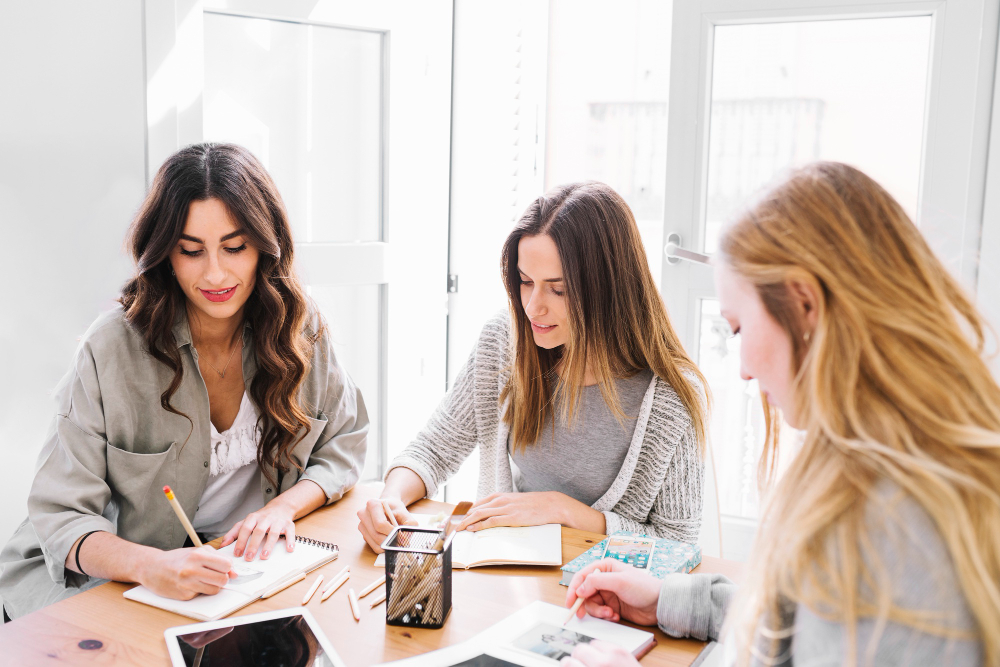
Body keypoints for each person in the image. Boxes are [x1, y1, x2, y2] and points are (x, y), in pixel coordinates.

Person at [562, 162, 999, 666]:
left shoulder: (888, 525)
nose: (744, 369)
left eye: (739, 328)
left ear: (805, 305)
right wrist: (667, 598)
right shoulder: (894, 454)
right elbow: (798, 620)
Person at [0, 143, 369, 619]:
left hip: (238, 581)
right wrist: (151, 566)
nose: (215, 272)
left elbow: (344, 444)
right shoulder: (111, 348)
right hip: (114, 580)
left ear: (265, 245)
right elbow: (61, 514)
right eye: (191, 251)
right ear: (165, 256)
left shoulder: (297, 328)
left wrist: (282, 509)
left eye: (234, 247)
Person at [358, 181, 709, 553]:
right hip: (509, 582)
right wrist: (390, 498)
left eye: (558, 289)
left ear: (608, 288)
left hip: (604, 596)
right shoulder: (505, 341)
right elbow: (433, 449)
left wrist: (563, 511)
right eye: (526, 282)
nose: (533, 307)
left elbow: (678, 546)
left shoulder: (671, 398)